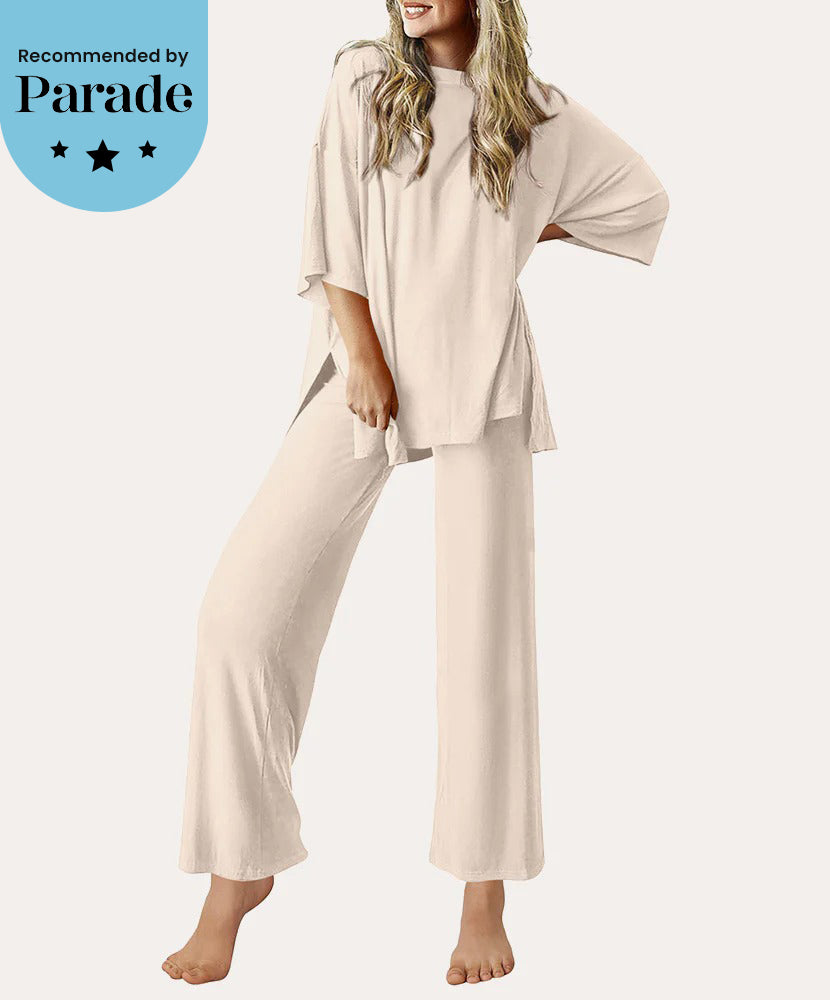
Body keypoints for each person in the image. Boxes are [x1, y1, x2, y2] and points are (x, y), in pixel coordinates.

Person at [162, 0, 669, 987]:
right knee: (238, 613)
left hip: (486, 380)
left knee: (485, 644)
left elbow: (642, 199)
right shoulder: (364, 79)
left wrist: (513, 235)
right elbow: (334, 229)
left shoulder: (534, 113)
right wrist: (362, 355)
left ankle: (483, 891)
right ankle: (239, 867)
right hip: (366, 374)